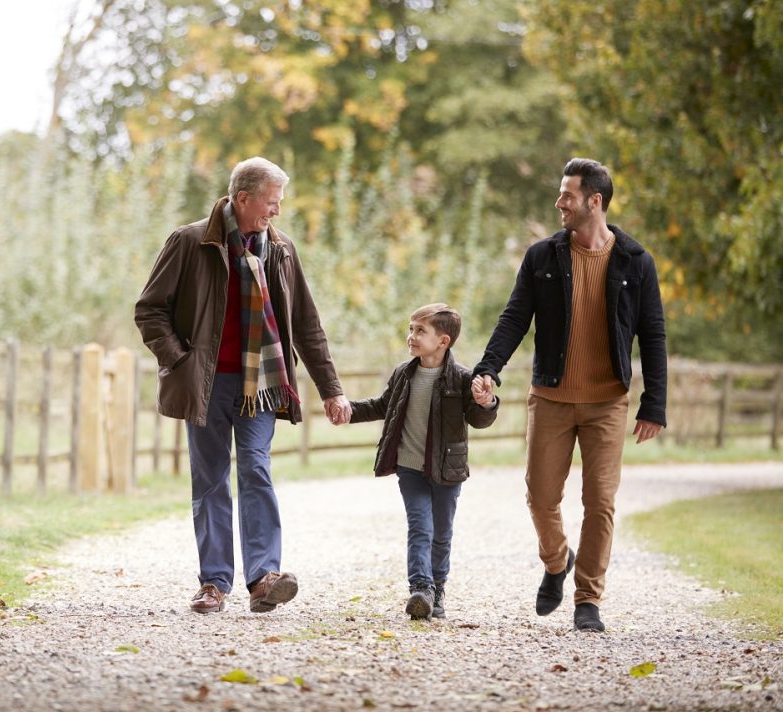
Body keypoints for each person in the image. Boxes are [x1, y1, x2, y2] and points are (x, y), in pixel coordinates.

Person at [135, 157, 352, 614]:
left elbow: (307, 326)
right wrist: (181, 360)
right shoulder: (190, 242)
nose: (276, 212)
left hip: (262, 385)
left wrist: (331, 389)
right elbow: (149, 309)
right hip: (207, 385)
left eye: (280, 204)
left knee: (256, 468)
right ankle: (213, 583)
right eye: (271, 203)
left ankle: (262, 578)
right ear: (243, 198)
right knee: (211, 480)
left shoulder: (282, 250)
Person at [472, 157, 668, 633]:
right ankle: (557, 561)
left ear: (594, 201)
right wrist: (488, 369)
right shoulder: (543, 256)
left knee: (600, 502)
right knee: (541, 498)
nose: (560, 202)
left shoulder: (635, 261)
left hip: (607, 402)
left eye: (568, 195)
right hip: (551, 398)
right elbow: (515, 317)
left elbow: (654, 333)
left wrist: (654, 403)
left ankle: (588, 600)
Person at [344, 303, 498, 620]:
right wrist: (348, 410)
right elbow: (383, 405)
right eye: (411, 329)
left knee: (441, 533)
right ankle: (421, 588)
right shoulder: (404, 373)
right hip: (410, 467)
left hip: (447, 470)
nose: (411, 336)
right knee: (420, 527)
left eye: (420, 330)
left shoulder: (461, 378)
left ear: (443, 341)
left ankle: (438, 589)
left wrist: (487, 403)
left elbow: (480, 419)